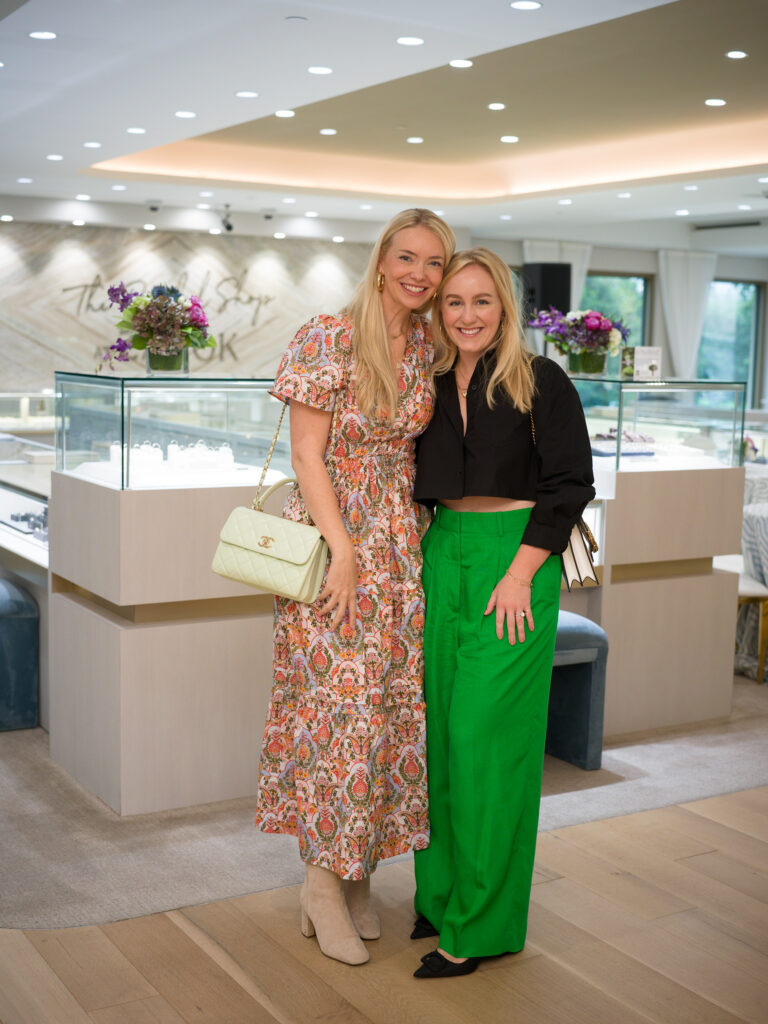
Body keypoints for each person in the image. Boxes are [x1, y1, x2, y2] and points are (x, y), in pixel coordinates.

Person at [255, 209, 456, 966]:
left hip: (400, 550)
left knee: (387, 716)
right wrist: (342, 550)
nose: (420, 274)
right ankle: (319, 882)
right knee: (336, 718)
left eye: (434, 263)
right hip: (336, 543)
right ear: (381, 261)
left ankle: (359, 870)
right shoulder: (327, 335)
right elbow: (308, 456)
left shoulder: (427, 345)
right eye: (408, 257)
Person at [410, 247, 595, 978]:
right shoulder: (422, 381)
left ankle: (481, 924)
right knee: (440, 739)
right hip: (439, 554)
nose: (467, 315)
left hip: (514, 562)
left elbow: (571, 480)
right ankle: (442, 894)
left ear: (505, 308)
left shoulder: (541, 378)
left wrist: (522, 570)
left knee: (487, 743)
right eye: (454, 302)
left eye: (482, 301)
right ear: (437, 309)